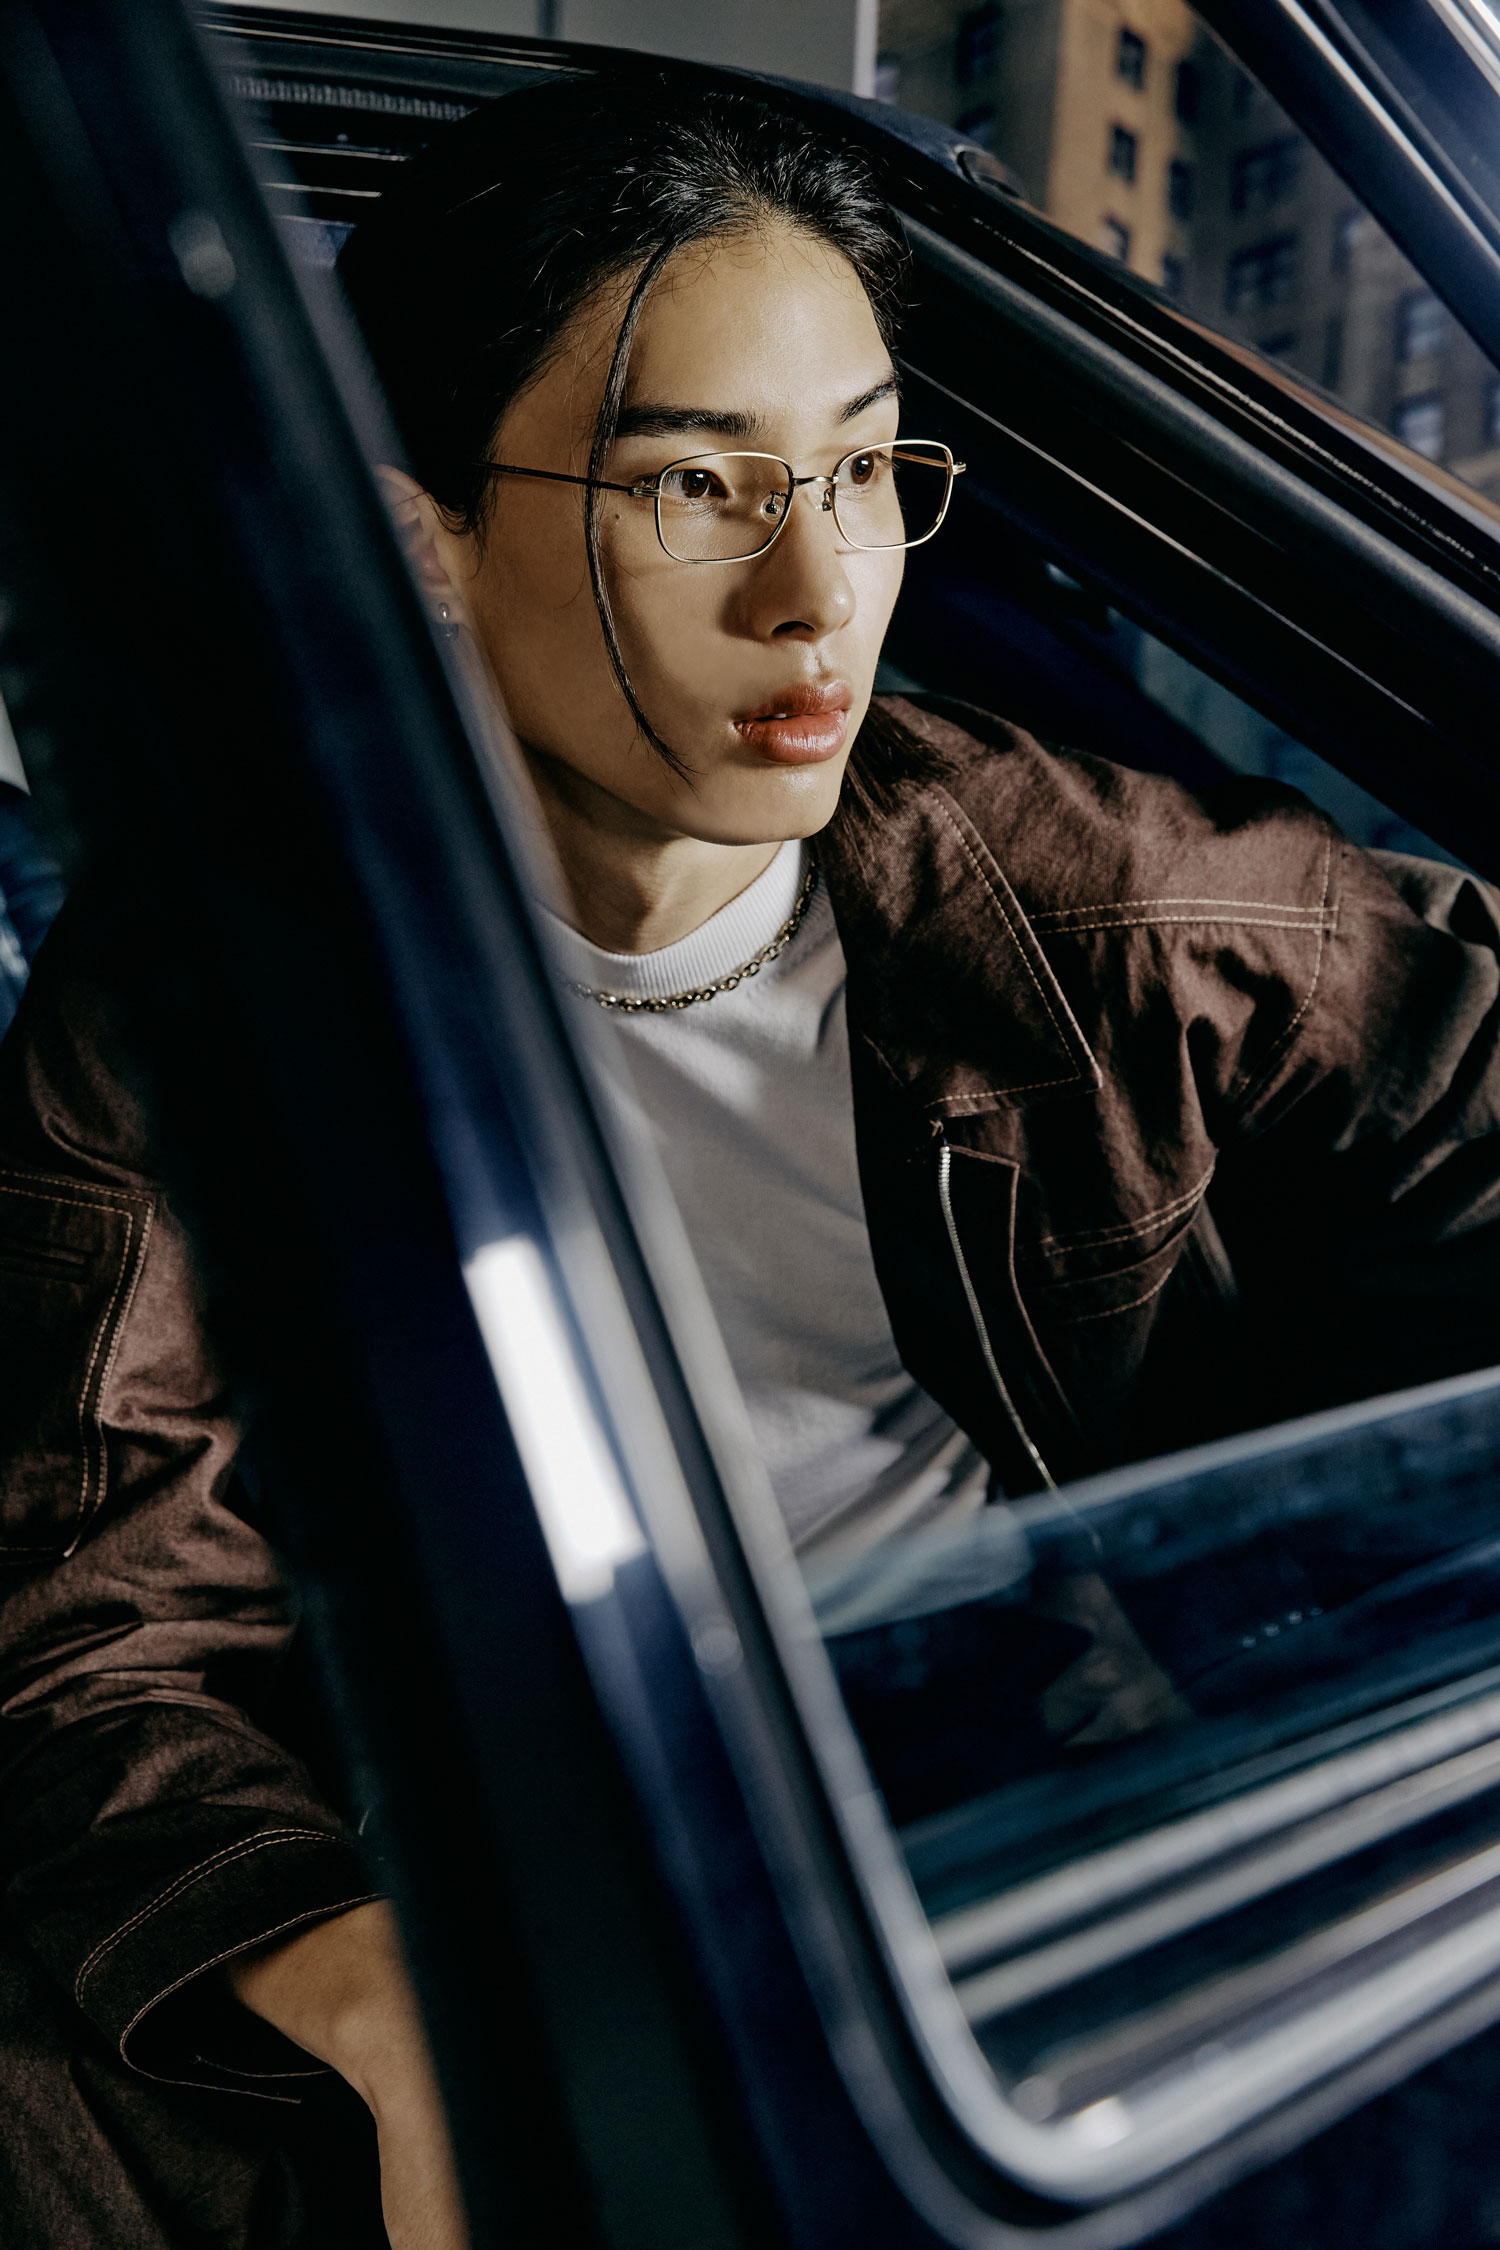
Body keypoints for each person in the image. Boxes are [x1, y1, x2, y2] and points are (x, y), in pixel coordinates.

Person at [2, 72, 1500, 2249]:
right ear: (425, 539)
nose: (820, 596)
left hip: (1030, 1816)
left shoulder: (1084, 907)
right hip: (517, 1837)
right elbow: (90, 1619)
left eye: (865, 471)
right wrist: (367, 1986)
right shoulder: (206, 997)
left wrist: (1289, 1603)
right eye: (697, 485)